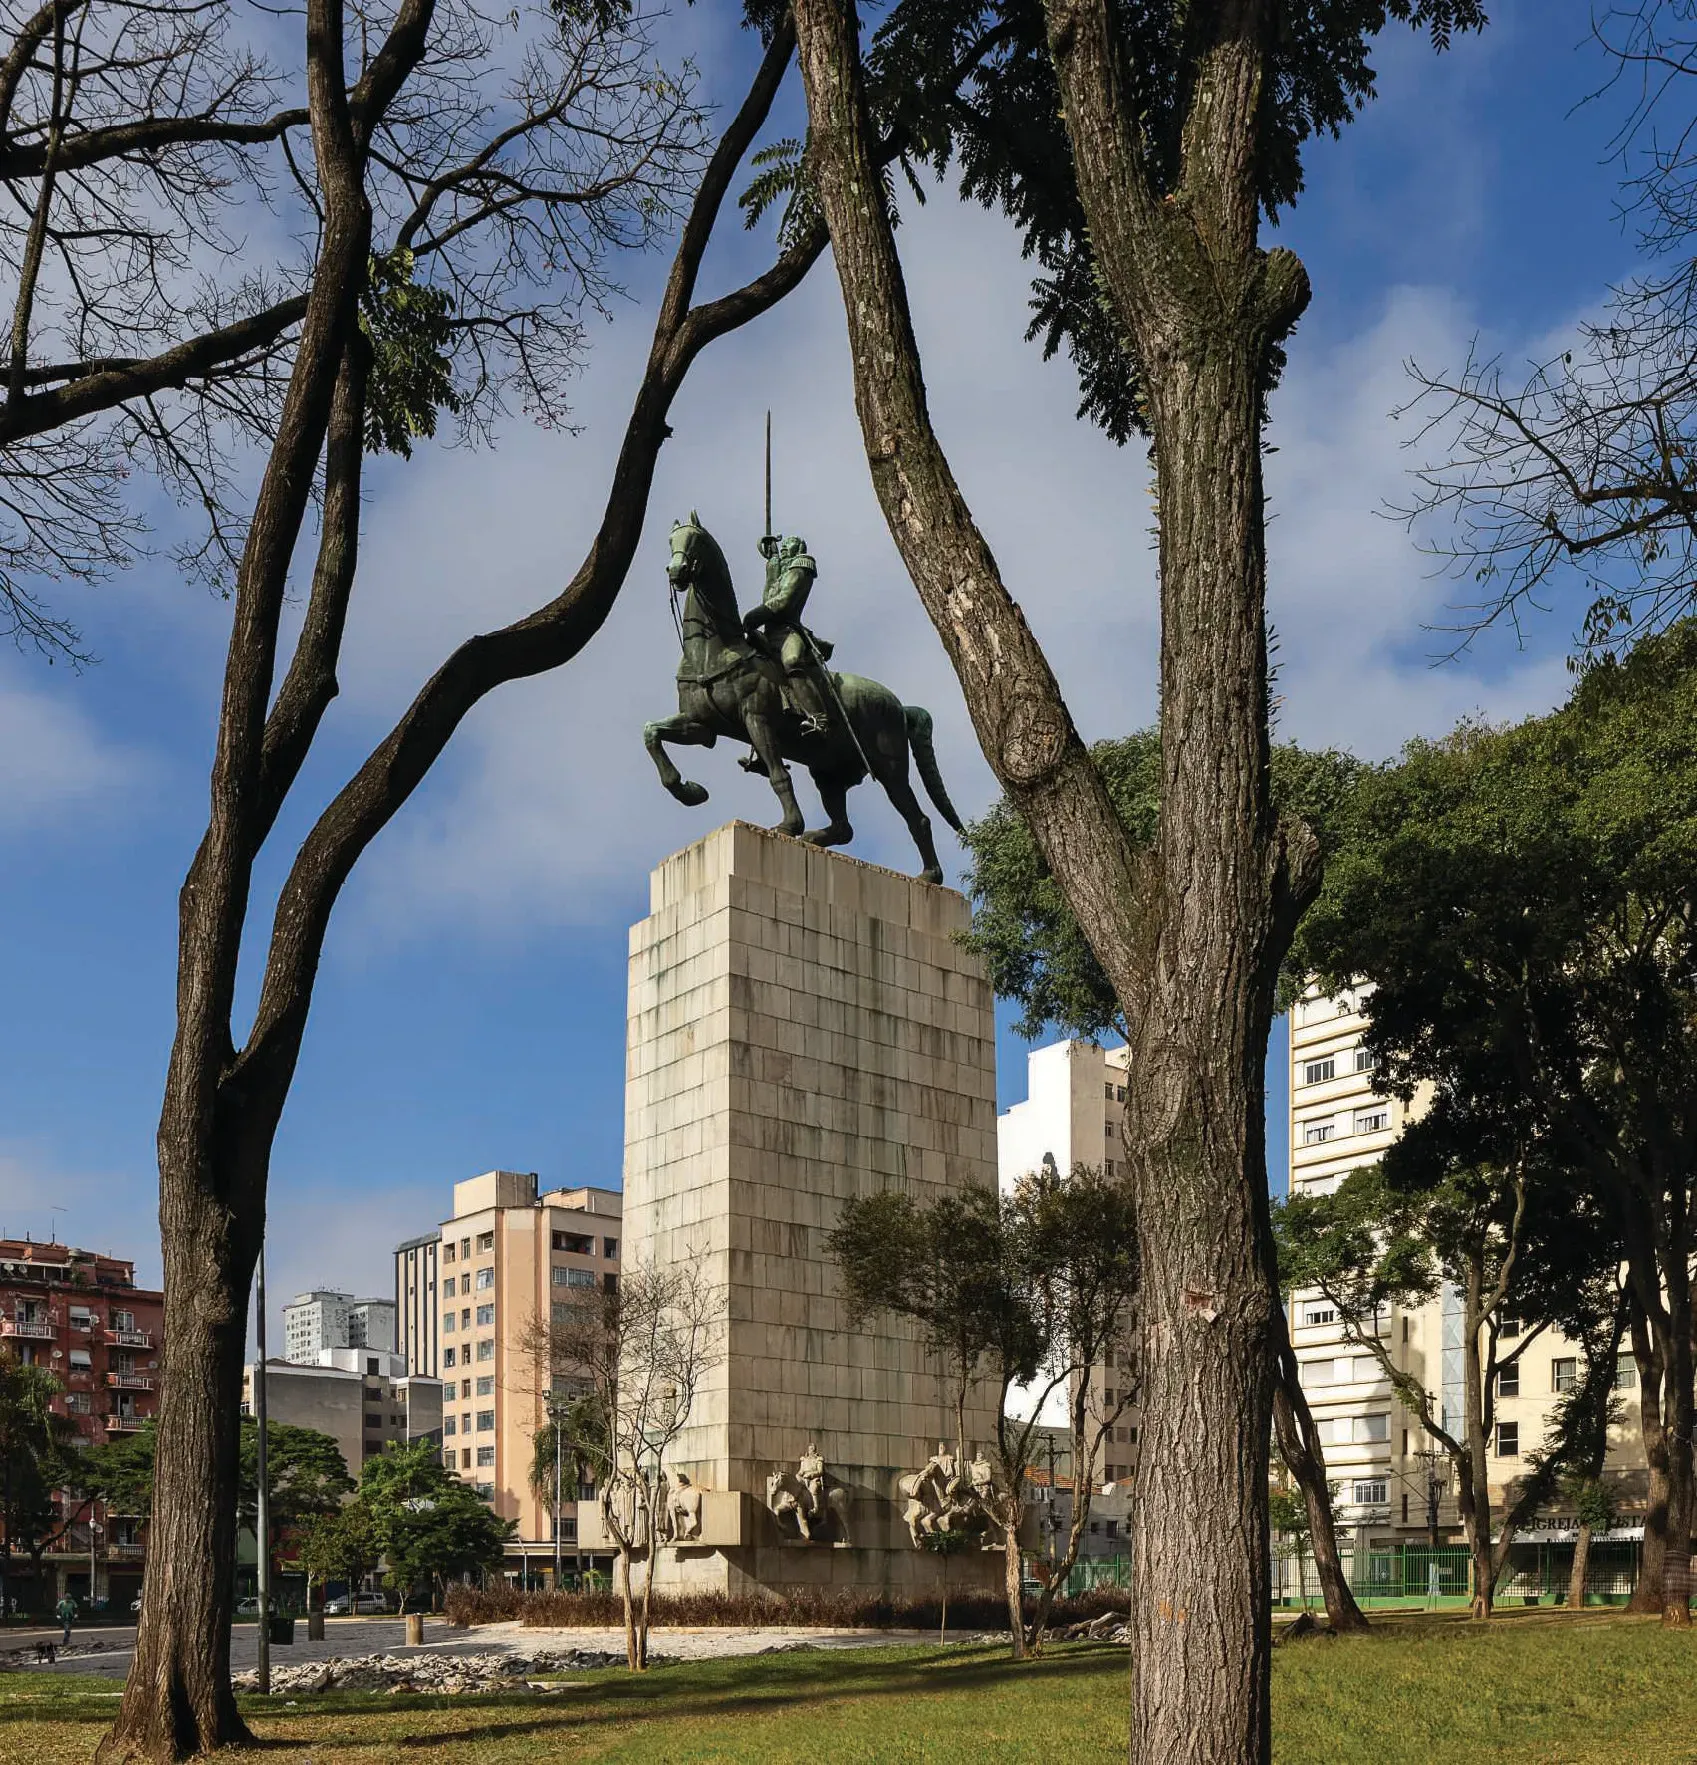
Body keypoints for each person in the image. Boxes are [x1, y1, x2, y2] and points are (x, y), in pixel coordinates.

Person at [744, 534, 835, 737]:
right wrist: (773, 564)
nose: (784, 546)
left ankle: (819, 719)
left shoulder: (803, 566)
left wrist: (754, 616)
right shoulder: (780, 572)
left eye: (789, 543)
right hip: (770, 633)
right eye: (782, 544)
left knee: (792, 661)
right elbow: (768, 596)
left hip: (789, 631)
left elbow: (783, 601)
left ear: (800, 548)